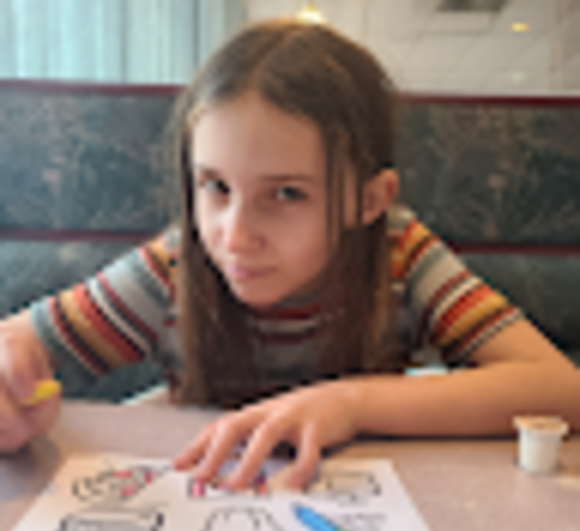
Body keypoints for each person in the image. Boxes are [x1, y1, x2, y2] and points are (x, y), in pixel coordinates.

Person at [0, 19, 578, 490]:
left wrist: (350, 403)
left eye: (286, 194)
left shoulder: (399, 255)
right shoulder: (174, 267)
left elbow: (561, 388)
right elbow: (18, 342)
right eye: (216, 186)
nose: (234, 235)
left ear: (370, 201)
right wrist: (12, 376)